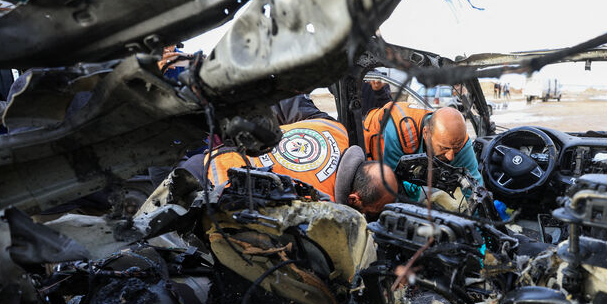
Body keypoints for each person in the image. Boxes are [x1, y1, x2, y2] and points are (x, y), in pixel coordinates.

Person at [204, 97, 398, 219]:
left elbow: (287, 101)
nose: (368, 217)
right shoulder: (318, 203)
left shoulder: (335, 128)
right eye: (370, 213)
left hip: (216, 142)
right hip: (212, 180)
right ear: (353, 199)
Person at [362, 102, 483, 187]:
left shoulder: (458, 140)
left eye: (455, 148)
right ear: (426, 133)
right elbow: (392, 184)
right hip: (374, 153)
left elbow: (475, 183)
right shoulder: (399, 132)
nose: (450, 156)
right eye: (444, 148)